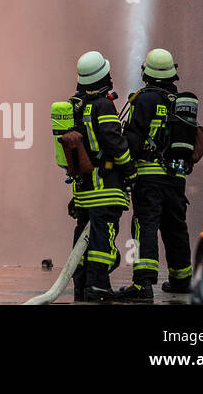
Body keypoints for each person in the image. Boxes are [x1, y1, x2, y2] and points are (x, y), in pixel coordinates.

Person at [117, 48, 195, 302]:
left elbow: (135, 138)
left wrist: (124, 158)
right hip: (176, 177)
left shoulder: (143, 99)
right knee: (175, 226)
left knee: (145, 224)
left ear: (146, 72)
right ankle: (182, 279)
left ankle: (143, 284)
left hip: (149, 177)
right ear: (172, 73)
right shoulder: (180, 101)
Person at [69, 50, 135, 302]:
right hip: (104, 186)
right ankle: (97, 285)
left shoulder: (76, 105)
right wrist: (129, 170)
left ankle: (82, 285)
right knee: (102, 236)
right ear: (103, 76)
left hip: (83, 188)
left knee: (82, 238)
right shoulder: (103, 105)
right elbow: (113, 141)